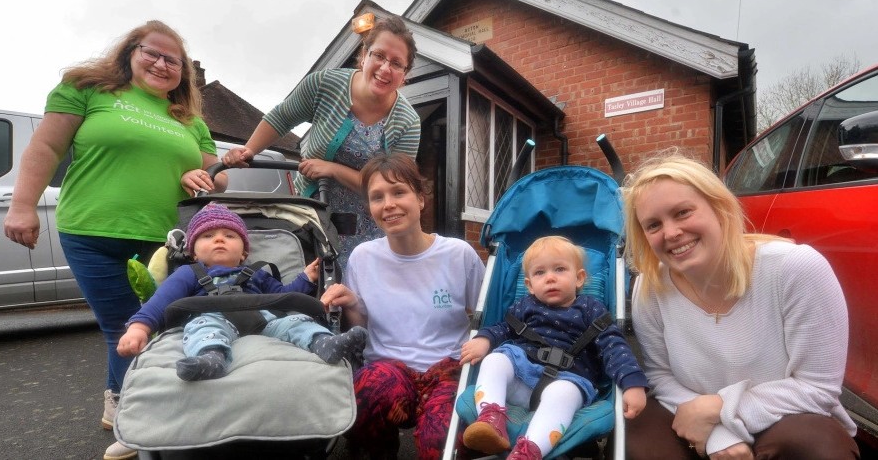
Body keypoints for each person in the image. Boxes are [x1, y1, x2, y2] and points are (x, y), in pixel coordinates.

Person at [1, 20, 225, 460]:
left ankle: (118, 400)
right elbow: (45, 148)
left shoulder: (188, 119)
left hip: (166, 239)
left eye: (172, 60)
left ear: (184, 72)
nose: (162, 64)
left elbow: (216, 176)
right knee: (128, 325)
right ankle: (139, 423)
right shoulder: (86, 89)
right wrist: (22, 205)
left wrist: (197, 176)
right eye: (152, 53)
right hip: (92, 230)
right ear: (130, 52)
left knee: (157, 322)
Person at [622, 149, 860, 460]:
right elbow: (660, 377)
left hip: (786, 415)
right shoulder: (649, 287)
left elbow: (817, 388)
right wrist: (717, 435)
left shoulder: (796, 268)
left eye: (682, 212)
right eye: (653, 225)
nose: (671, 233)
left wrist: (721, 410)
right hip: (690, 415)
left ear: (719, 208)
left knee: (815, 446)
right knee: (635, 435)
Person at [320, 152, 485, 460]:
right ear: (370, 208)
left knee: (443, 440)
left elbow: (486, 318)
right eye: (377, 197)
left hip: (447, 369)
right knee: (367, 393)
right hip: (390, 369)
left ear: (421, 198)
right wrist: (353, 302)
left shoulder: (458, 254)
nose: (389, 204)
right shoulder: (362, 257)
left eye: (399, 192)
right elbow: (361, 330)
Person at [221, 15, 420, 270]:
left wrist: (333, 170)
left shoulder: (408, 122)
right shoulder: (324, 83)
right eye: (379, 55)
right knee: (310, 283)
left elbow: (394, 185)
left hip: (369, 224)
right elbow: (282, 117)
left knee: (356, 290)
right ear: (364, 55)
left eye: (396, 63)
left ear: (405, 74)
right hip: (312, 213)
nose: (384, 68)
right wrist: (248, 151)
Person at [116, 203, 368, 379]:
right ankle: (211, 358)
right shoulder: (188, 273)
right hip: (212, 316)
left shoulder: (257, 273)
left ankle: (323, 343)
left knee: (296, 320)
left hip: (264, 320)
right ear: (193, 252)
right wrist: (139, 327)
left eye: (229, 235)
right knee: (202, 328)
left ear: (244, 252)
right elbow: (161, 302)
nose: (219, 239)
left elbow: (284, 296)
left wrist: (307, 277)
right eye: (208, 236)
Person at [460, 236, 648, 460]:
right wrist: (485, 339)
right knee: (495, 360)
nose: (550, 278)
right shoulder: (524, 306)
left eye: (559, 269)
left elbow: (614, 346)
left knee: (562, 392)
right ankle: (491, 419)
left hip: (568, 381)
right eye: (540, 273)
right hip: (521, 379)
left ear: (579, 278)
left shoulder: (590, 309)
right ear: (529, 285)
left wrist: (632, 382)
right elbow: (504, 329)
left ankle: (529, 451)